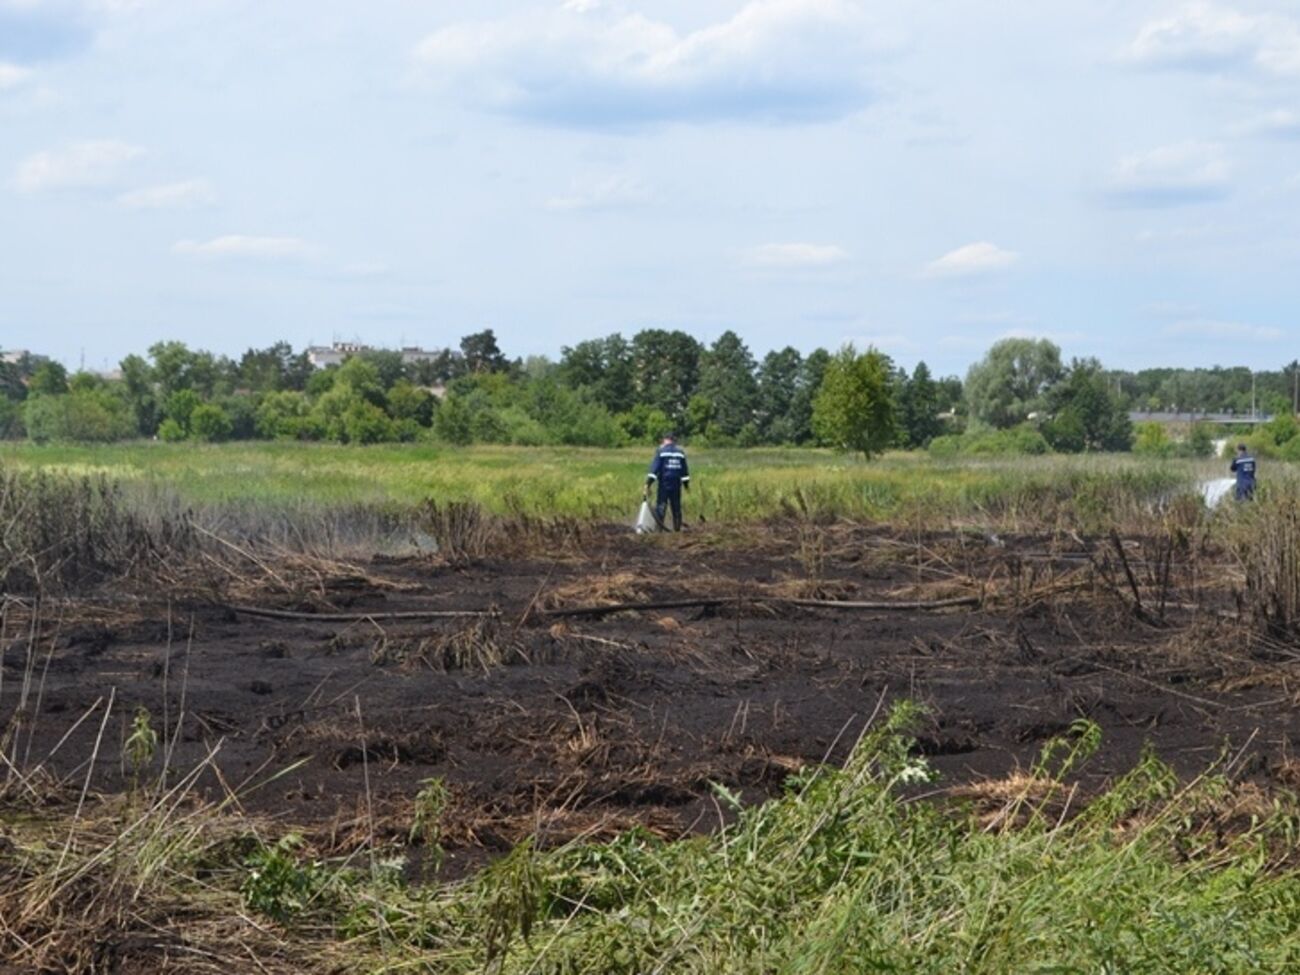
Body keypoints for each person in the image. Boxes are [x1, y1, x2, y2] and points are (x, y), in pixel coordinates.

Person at [644, 432, 690, 531]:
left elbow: (654, 470)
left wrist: (648, 483)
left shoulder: (661, 452)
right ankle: (677, 529)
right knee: (676, 507)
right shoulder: (680, 453)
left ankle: (659, 530)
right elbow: (685, 472)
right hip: (676, 485)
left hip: (664, 484)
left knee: (661, 506)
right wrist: (686, 485)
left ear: (665, 440)